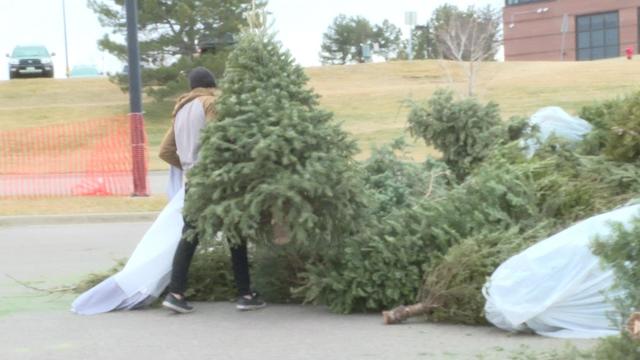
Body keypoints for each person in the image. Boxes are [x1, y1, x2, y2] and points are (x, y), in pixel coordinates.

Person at [160, 67, 266, 313]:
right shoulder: (210, 102)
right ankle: (245, 294)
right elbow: (218, 137)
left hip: (193, 182)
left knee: (190, 235)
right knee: (236, 234)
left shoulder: (180, 110)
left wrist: (188, 165)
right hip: (217, 179)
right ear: (211, 85)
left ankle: (175, 292)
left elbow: (165, 151)